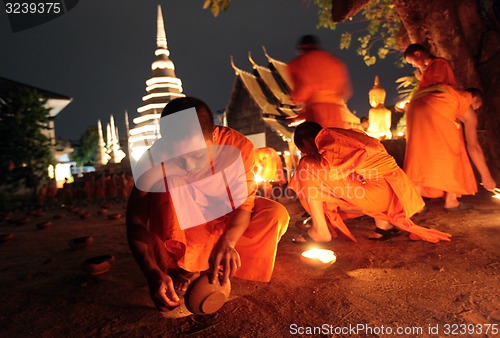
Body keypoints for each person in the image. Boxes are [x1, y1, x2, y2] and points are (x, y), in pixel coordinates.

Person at [126, 97, 289, 311]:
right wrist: (151, 272)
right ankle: (185, 267)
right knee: (168, 185)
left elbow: (244, 207)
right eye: (179, 158)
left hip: (226, 226)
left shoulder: (238, 147)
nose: (189, 165)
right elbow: (135, 220)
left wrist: (228, 242)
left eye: (196, 155)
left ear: (214, 135)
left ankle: (211, 262)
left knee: (274, 213)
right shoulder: (152, 160)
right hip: (187, 231)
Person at [289, 122, 452, 243]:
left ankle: (320, 229)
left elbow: (328, 173)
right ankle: (384, 226)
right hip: (393, 190)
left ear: (307, 142)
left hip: (379, 194)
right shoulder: (343, 134)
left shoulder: (328, 140)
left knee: (307, 166)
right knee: (358, 176)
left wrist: (307, 163)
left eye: (303, 150)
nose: (306, 153)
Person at [403, 83, 497, 210]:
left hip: (414, 107)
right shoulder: (463, 100)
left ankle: (416, 203)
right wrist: (486, 176)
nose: (473, 111)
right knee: (457, 152)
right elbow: (473, 146)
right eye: (475, 108)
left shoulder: (446, 94)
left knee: (419, 155)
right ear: (474, 99)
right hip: (430, 107)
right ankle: (451, 200)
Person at [287, 35, 353, 128]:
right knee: (335, 138)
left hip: (316, 115)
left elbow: (300, 93)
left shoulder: (299, 63)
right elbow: (346, 93)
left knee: (317, 139)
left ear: (302, 48)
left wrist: (294, 100)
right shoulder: (335, 62)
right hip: (335, 113)